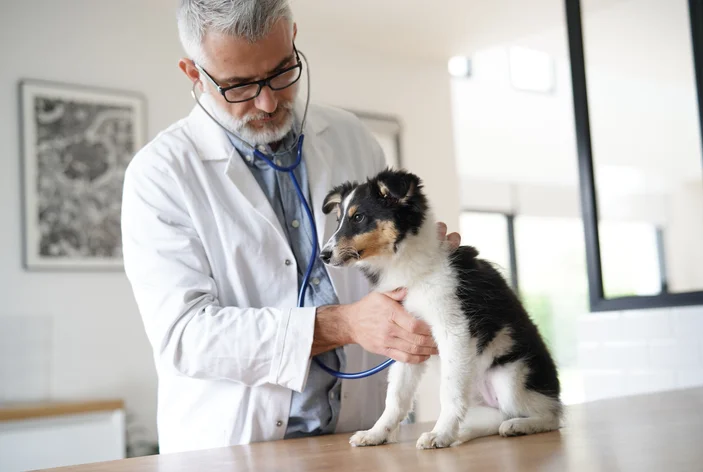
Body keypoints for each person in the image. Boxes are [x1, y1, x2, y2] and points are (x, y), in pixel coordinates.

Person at [121, 0, 460, 453]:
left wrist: (420, 267)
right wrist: (344, 325)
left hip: (356, 437)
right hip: (235, 449)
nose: (268, 101)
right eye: (240, 85)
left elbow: (382, 272)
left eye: (282, 72)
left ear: (293, 38)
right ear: (193, 74)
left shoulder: (349, 137)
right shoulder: (161, 174)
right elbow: (185, 336)